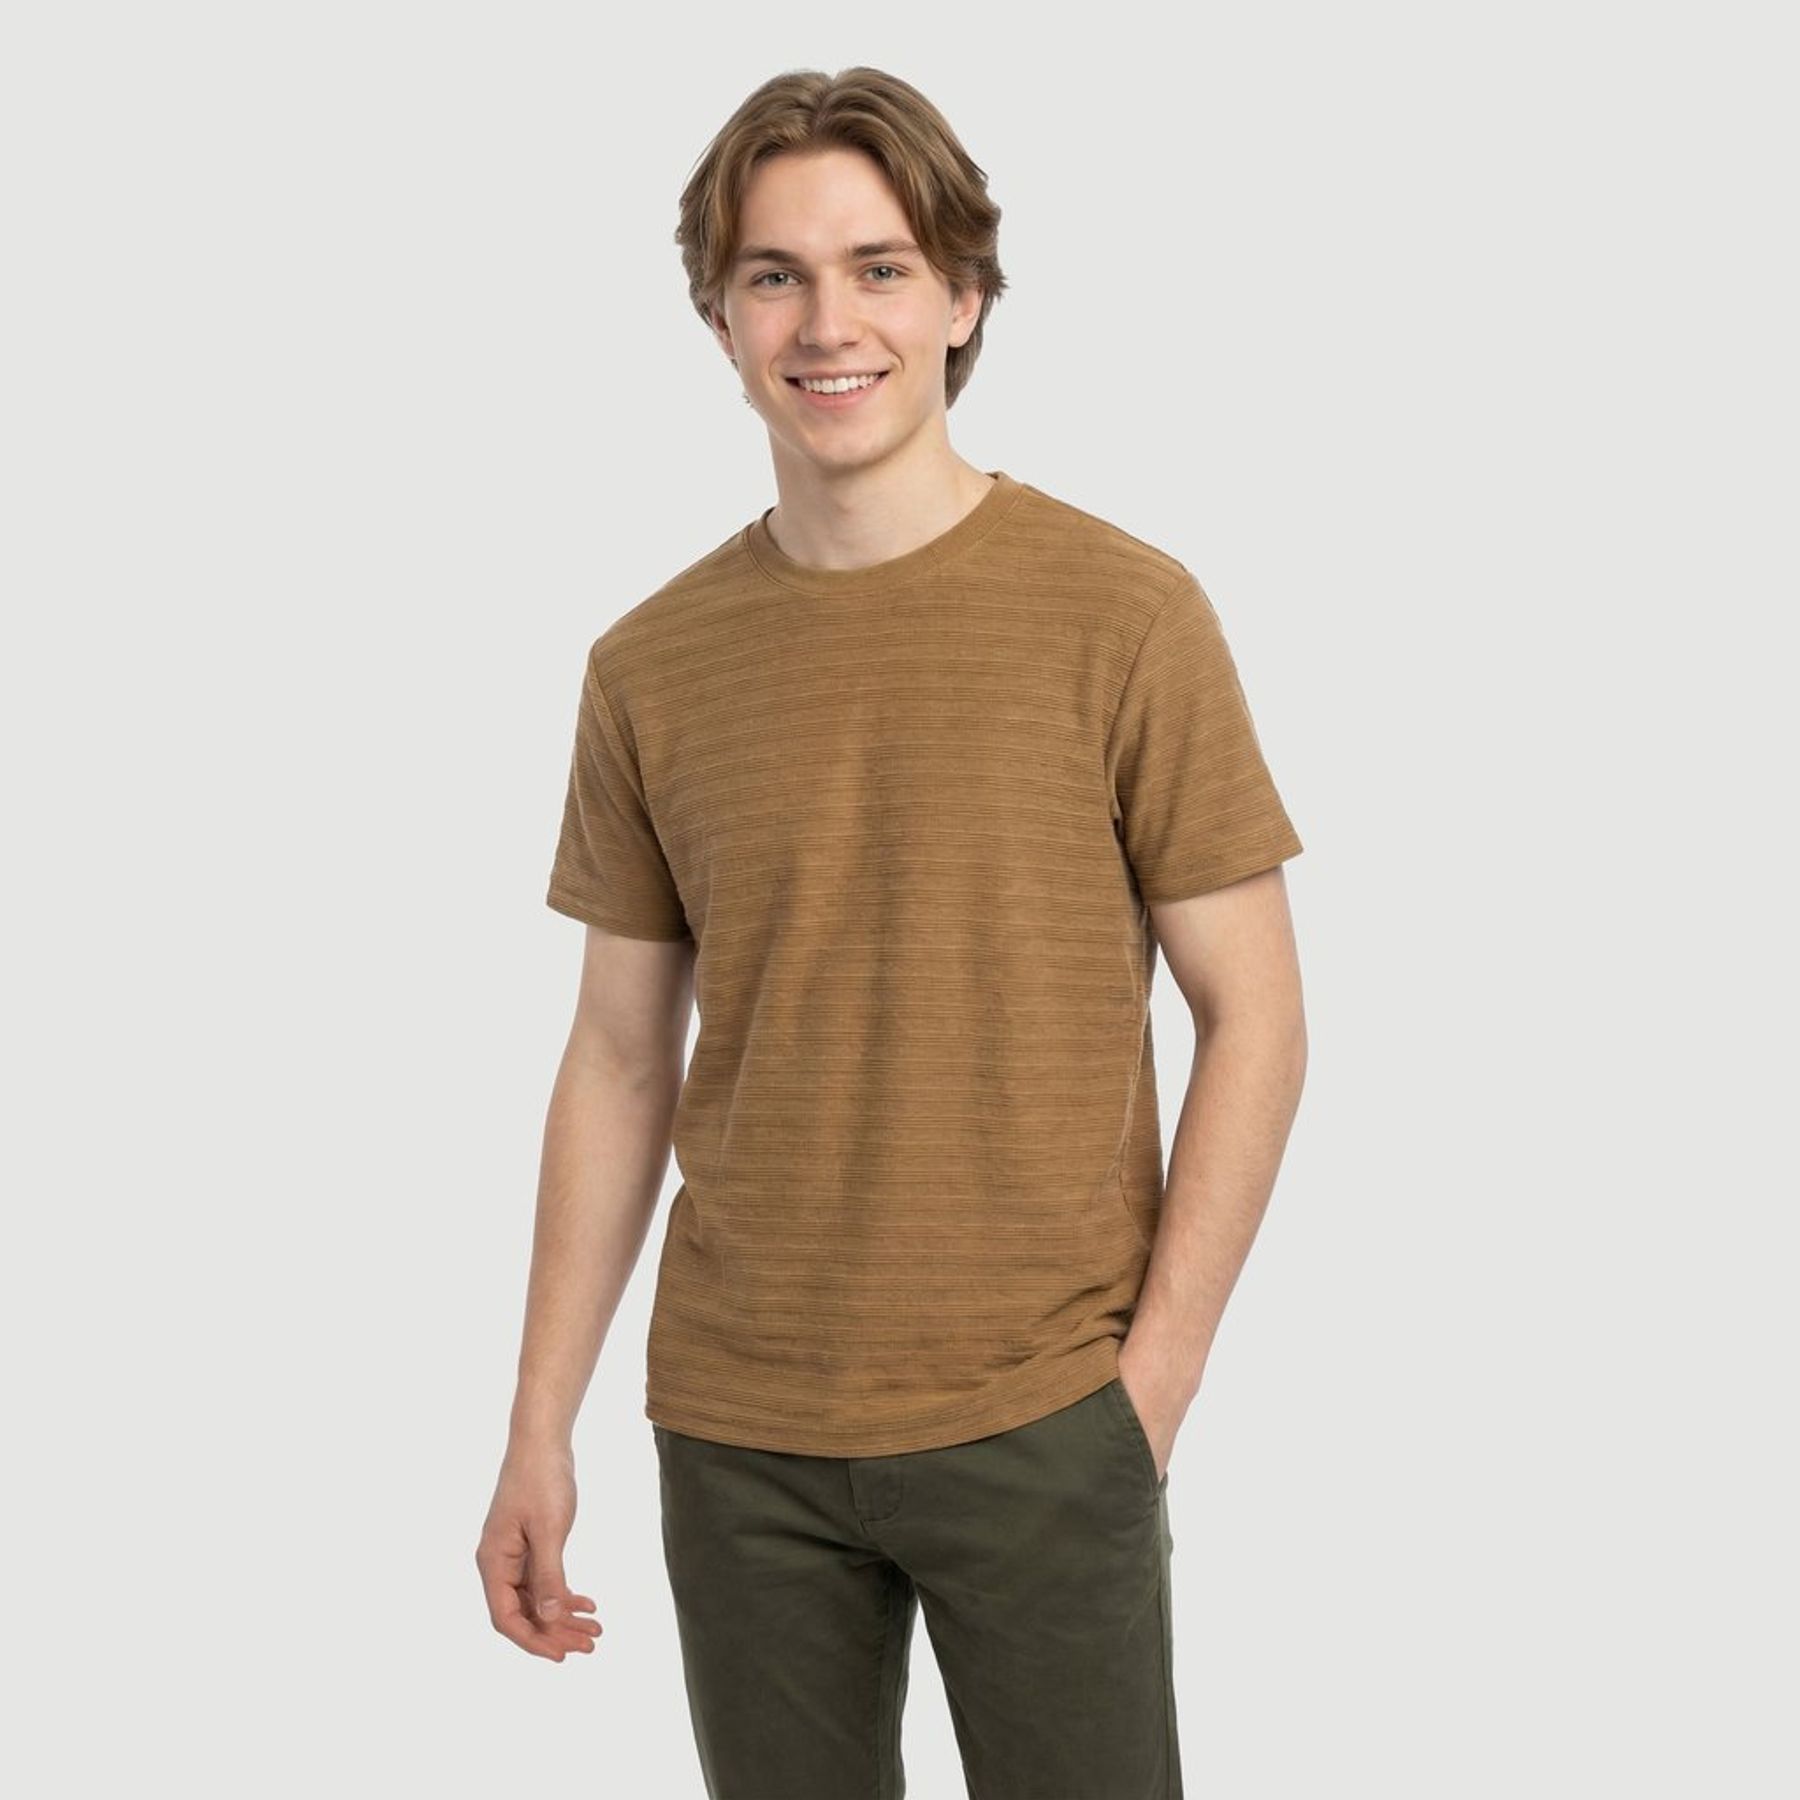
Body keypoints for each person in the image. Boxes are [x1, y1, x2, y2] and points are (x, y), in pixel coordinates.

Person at [477, 64, 1308, 1800]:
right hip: (739, 1438)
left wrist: (1144, 1393)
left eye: (879, 267)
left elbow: (1256, 1015)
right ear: (718, 316)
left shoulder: (1126, 614)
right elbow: (619, 1057)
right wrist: (537, 1422)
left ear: (963, 298)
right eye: (774, 274)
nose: (826, 322)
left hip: (1044, 1417)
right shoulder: (648, 665)